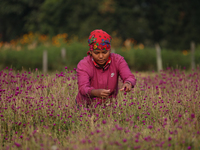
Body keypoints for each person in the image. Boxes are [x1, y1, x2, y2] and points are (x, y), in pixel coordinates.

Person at [76, 29, 136, 107]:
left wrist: (128, 83)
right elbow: (83, 88)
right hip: (86, 107)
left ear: (109, 50)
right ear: (90, 51)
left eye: (104, 52)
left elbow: (129, 76)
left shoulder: (118, 60)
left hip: (109, 107)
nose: (101, 56)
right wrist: (95, 93)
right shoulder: (84, 65)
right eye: (96, 53)